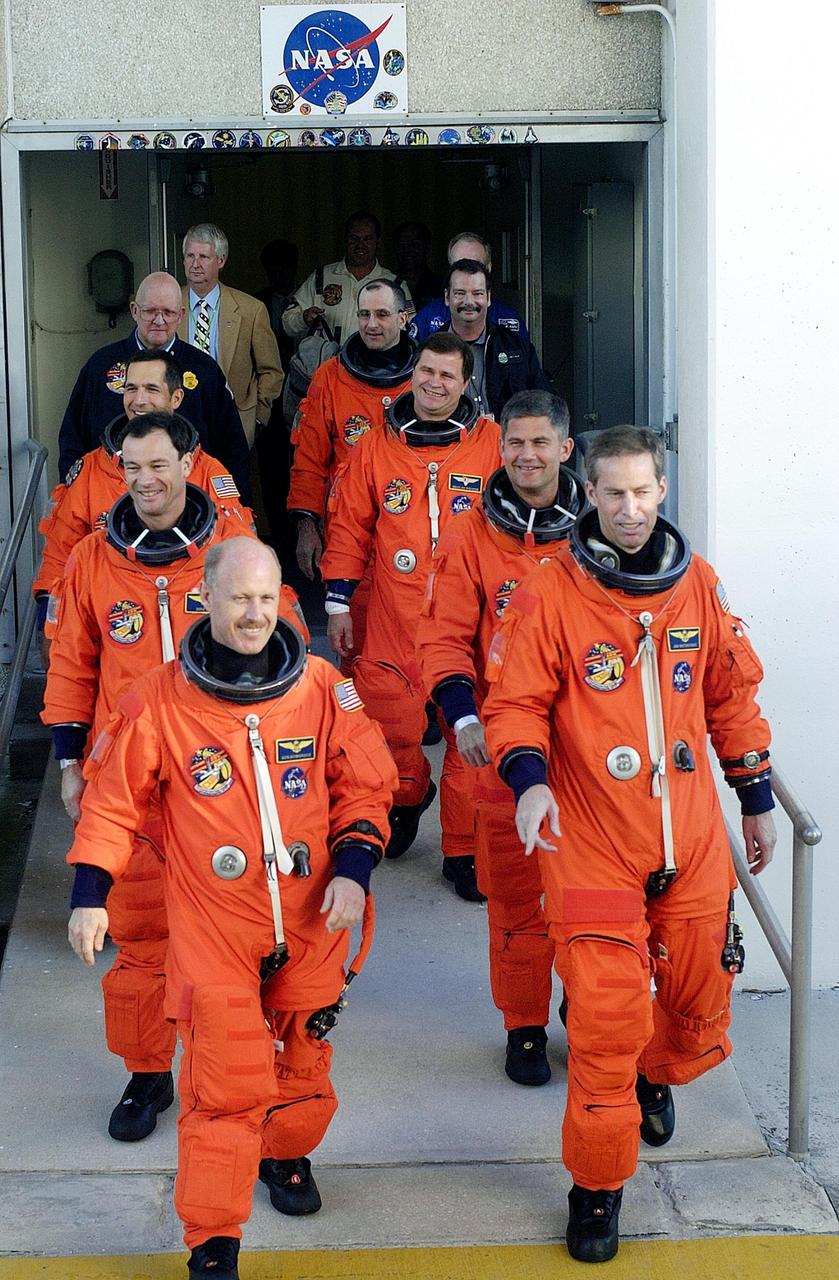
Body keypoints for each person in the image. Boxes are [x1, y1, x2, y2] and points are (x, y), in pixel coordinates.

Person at [481, 425, 777, 1263]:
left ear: (661, 490)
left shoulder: (698, 586)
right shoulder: (551, 590)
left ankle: (657, 1068)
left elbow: (731, 695)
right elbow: (513, 704)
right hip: (591, 839)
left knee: (695, 1006)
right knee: (607, 1025)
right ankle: (598, 1189)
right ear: (590, 491)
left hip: (685, 834)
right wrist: (529, 779)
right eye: (612, 493)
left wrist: (753, 796)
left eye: (642, 491)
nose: (629, 509)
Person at [66, 537, 397, 1280]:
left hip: (312, 919)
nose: (253, 614)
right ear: (207, 599)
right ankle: (213, 1240)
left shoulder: (319, 686)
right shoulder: (158, 698)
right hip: (215, 926)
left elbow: (365, 787)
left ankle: (284, 1157)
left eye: (265, 598)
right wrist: (91, 893)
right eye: (238, 597)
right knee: (221, 1083)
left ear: (283, 598)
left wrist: (354, 869)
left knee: (303, 1064)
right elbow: (112, 803)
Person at [42, 414, 305, 1148]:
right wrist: (70, 764)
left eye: (158, 464)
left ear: (190, 460)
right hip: (132, 782)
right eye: (130, 467)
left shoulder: (233, 548)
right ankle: (147, 1071)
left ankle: (254, 1077)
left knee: (246, 940)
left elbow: (288, 652)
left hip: (223, 782)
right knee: (142, 940)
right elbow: (71, 668)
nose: (144, 480)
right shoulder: (94, 559)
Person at [418, 391, 584, 1080]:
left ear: (565, 450)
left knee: (589, 898)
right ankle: (522, 1025)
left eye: (540, 443)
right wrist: (460, 718)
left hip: (588, 756)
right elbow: (444, 638)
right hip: (501, 748)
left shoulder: (598, 532)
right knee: (515, 903)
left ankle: (586, 1003)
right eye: (514, 443)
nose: (525, 455)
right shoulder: (467, 536)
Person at [320, 333, 501, 895]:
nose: (434, 383)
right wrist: (338, 601)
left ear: (466, 383)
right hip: (394, 617)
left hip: (468, 620)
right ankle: (408, 794)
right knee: (388, 730)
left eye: (448, 376)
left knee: (470, 736)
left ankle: (464, 851)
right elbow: (349, 525)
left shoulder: (491, 443)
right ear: (413, 372)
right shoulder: (376, 446)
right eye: (426, 371)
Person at [34, 350, 252, 626]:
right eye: (131, 389)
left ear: (176, 398)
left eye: (151, 389)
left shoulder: (207, 471)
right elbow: (59, 557)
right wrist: (48, 620)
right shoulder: (90, 471)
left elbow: (245, 558)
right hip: (110, 628)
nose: (139, 400)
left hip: (191, 632)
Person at [58, 272, 250, 497]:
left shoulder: (204, 370)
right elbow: (72, 438)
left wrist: (239, 512)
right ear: (134, 311)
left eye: (168, 313)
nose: (159, 321)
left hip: (189, 502)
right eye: (150, 311)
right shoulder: (100, 366)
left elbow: (231, 447)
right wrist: (74, 496)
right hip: (108, 501)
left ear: (181, 315)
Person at [288, 279, 415, 582]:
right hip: (346, 528)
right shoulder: (330, 377)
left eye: (382, 314)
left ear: (402, 318)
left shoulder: (425, 378)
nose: (371, 324)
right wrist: (306, 525)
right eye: (364, 314)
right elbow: (309, 458)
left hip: (410, 526)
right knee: (346, 623)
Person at [178, 223, 284, 447]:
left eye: (204, 257)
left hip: (233, 422)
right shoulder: (168, 305)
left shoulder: (251, 309)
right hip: (179, 421)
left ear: (221, 260)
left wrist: (258, 418)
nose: (195, 264)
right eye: (190, 256)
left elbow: (271, 371)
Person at [282, 212, 413, 347]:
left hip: (377, 366)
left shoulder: (394, 284)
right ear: (345, 240)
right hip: (328, 365)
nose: (360, 245)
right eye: (354, 238)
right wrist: (304, 318)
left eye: (367, 239)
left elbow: (411, 330)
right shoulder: (321, 277)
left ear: (378, 243)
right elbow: (287, 323)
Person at [444, 259, 551, 419]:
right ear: (447, 298)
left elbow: (544, 404)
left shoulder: (517, 347)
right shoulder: (429, 349)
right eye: (460, 293)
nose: (469, 302)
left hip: (505, 441)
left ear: (488, 298)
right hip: (450, 442)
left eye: (477, 293)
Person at [412, 231, 529, 342]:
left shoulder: (510, 321)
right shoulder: (427, 318)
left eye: (474, 266)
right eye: (459, 266)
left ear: (488, 268)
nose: (466, 274)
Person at [255, 238, 300, 374]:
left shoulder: (308, 298)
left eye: (283, 271)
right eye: (272, 273)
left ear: (294, 268)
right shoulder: (256, 302)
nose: (278, 277)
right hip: (267, 371)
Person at [392, 220, 444, 313]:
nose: (408, 250)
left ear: (426, 247)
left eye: (415, 244)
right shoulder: (387, 284)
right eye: (402, 245)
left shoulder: (442, 286)